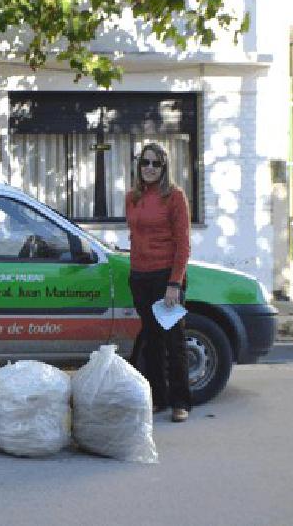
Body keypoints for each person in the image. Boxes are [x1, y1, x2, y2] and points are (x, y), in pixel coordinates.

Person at [125, 142, 192, 423]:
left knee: (173, 341)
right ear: (139, 166)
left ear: (164, 168)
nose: (149, 168)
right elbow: (135, 236)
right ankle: (158, 399)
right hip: (140, 277)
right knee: (150, 341)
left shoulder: (174, 197)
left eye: (156, 164)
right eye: (145, 163)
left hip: (166, 278)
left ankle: (180, 402)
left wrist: (174, 283)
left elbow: (183, 245)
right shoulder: (132, 197)